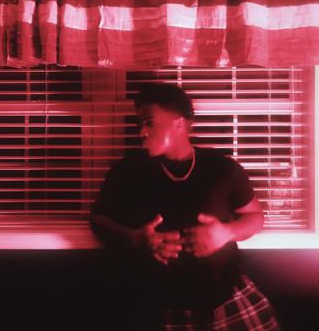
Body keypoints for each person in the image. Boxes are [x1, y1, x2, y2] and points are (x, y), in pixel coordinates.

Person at [90, 83, 280, 331]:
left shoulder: (222, 168)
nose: (141, 132)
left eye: (149, 122)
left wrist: (227, 232)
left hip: (230, 300)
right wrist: (136, 237)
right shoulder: (127, 171)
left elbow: (255, 216)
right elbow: (98, 219)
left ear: (179, 124)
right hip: (161, 311)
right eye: (139, 124)